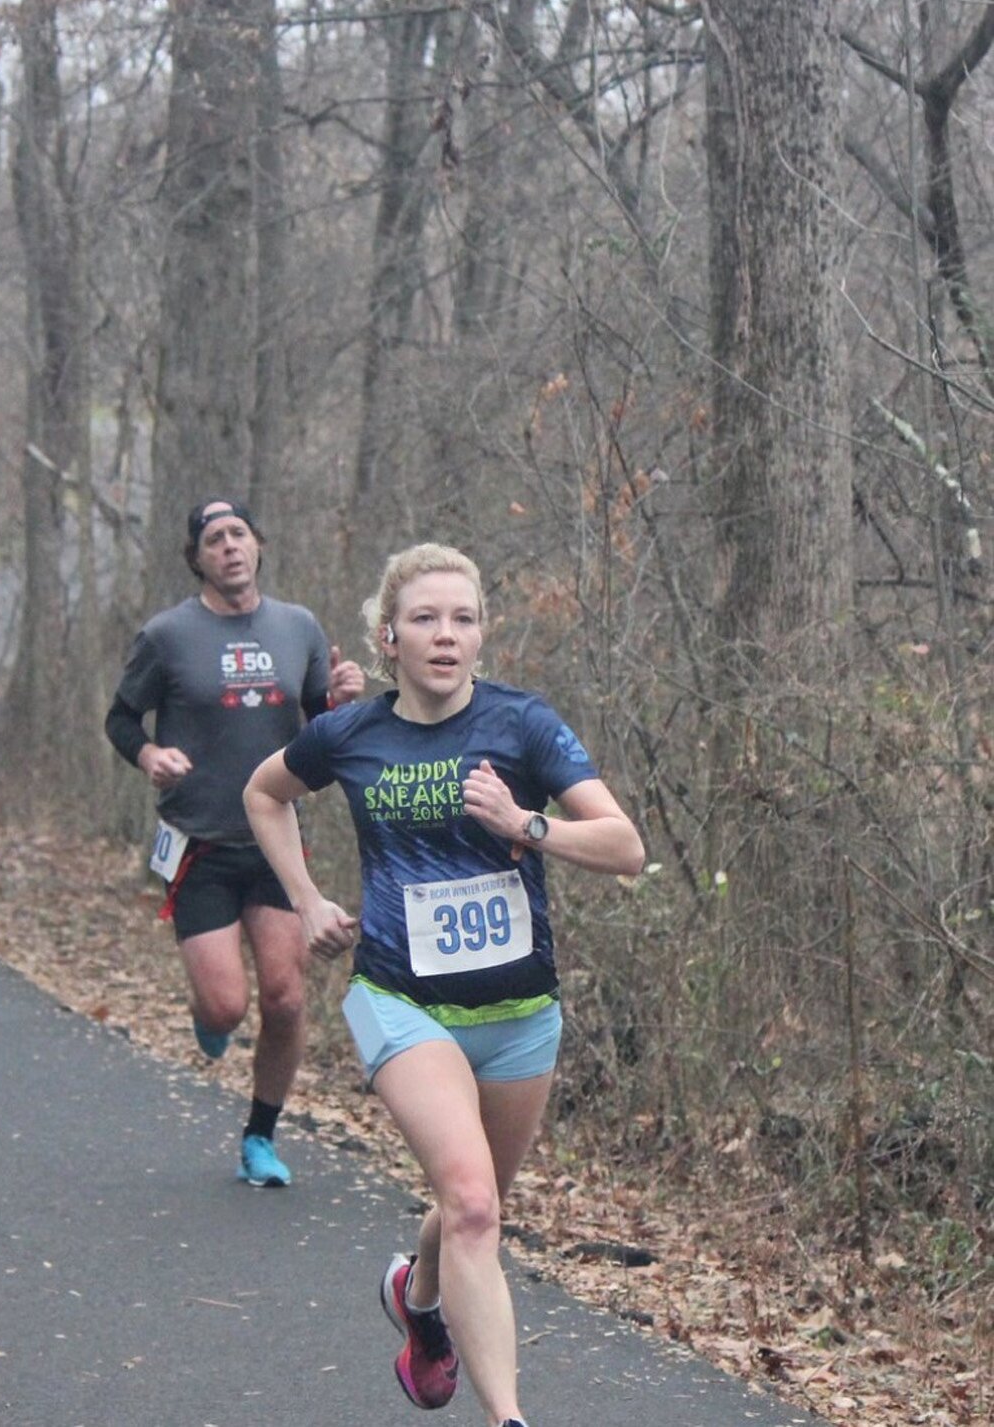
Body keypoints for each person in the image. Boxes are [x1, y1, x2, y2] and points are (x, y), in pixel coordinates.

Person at [243, 542, 645, 1427]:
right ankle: (508, 1416)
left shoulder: (524, 725)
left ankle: (418, 1302)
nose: (445, 635)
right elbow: (263, 794)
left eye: (463, 619)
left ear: (482, 635)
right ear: (388, 636)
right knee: (469, 1201)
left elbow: (626, 847)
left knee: (475, 1210)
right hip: (401, 1000)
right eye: (425, 618)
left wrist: (527, 822)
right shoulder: (351, 733)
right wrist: (305, 899)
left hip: (520, 1017)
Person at [104, 498, 364, 1188]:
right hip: (199, 843)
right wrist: (150, 754)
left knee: (284, 998)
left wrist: (341, 699)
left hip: (274, 842)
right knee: (225, 1006)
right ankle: (209, 1017)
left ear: (258, 545)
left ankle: (259, 1138)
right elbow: (121, 716)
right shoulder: (166, 635)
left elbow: (321, 727)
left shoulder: (298, 626)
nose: (228, 548)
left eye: (238, 535)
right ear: (197, 559)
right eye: (213, 540)